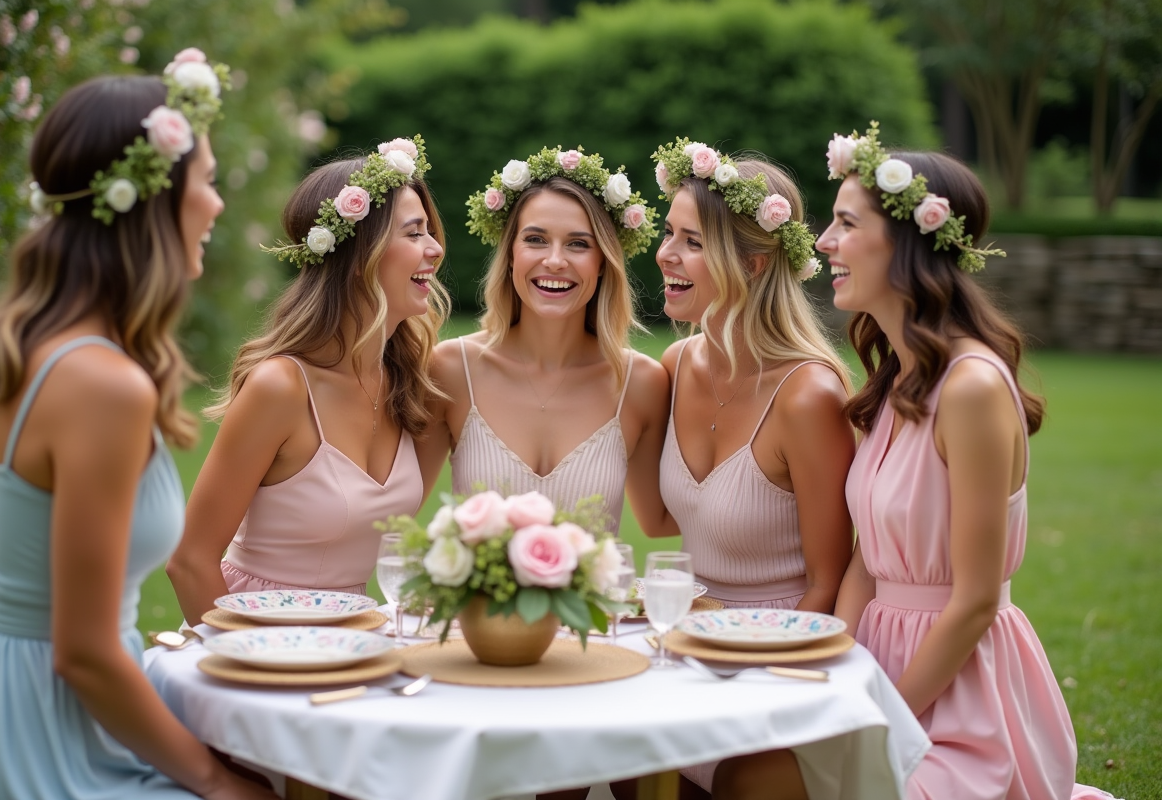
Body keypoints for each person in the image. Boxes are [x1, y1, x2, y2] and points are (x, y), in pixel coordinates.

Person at [713, 123, 1120, 800]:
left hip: (958, 694)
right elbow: (867, 565)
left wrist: (883, 719)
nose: (823, 243)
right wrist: (828, 673)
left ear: (907, 243)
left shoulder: (972, 388)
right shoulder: (897, 383)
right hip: (874, 662)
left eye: (845, 223)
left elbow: (976, 600)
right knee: (743, 769)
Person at [0, 55, 275, 799]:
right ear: (152, 203)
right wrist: (218, 783)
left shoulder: (28, 344)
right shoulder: (102, 385)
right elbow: (85, 654)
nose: (219, 204)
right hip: (46, 739)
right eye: (206, 180)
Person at [167, 137, 448, 625]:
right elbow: (189, 562)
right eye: (414, 232)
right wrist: (252, 658)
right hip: (258, 633)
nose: (435, 248)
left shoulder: (412, 386)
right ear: (362, 253)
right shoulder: (281, 388)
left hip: (354, 636)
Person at [417, 146, 675, 540]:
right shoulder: (451, 369)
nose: (555, 261)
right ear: (511, 255)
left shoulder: (641, 383)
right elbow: (393, 506)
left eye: (578, 244)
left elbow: (666, 521)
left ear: (603, 262)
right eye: (536, 239)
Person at [650, 139, 855, 615]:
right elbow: (658, 520)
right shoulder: (674, 365)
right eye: (669, 233)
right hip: (687, 628)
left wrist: (766, 665)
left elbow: (830, 584)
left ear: (752, 264)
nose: (666, 254)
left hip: (777, 638)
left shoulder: (808, 397)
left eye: (694, 242)